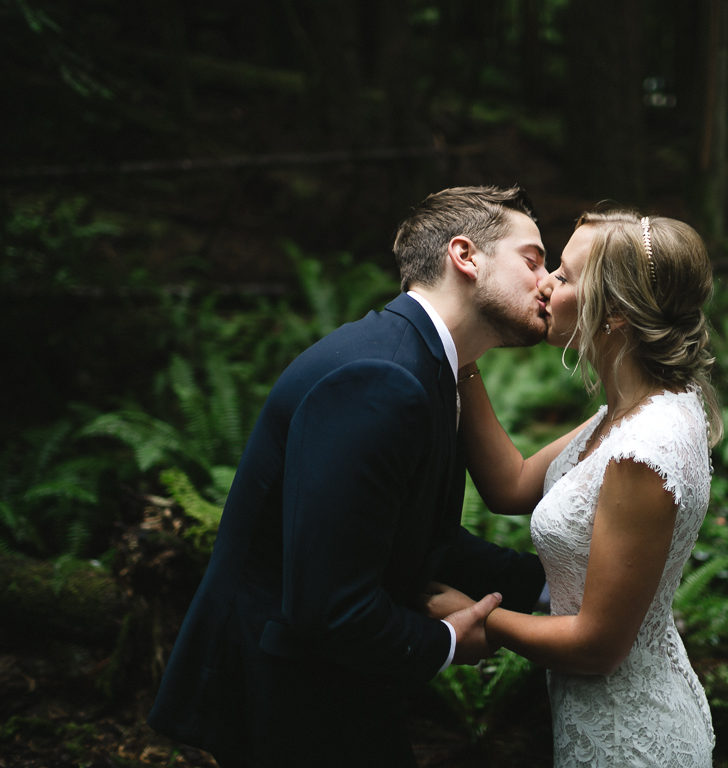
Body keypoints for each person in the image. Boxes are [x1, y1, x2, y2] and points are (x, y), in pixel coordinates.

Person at [147, 186, 554, 767]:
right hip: (288, 693)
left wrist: (553, 587)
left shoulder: (430, 368)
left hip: (330, 678)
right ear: (465, 257)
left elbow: (419, 540)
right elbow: (329, 606)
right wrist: (443, 643)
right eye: (533, 259)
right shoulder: (381, 378)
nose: (549, 282)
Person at [428, 209, 721, 767]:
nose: (545, 284)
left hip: (628, 741)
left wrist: (479, 618)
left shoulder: (645, 449)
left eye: (562, 276)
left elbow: (597, 646)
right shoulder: (634, 409)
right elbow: (512, 485)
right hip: (606, 721)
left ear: (613, 312)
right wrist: (463, 352)